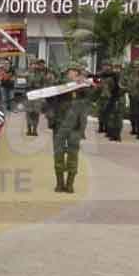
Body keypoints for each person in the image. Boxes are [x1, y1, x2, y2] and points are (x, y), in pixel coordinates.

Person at [49, 61, 92, 194]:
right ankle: (59, 183)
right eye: (70, 71)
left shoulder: (83, 86)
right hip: (59, 125)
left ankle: (70, 184)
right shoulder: (59, 84)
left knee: (73, 155)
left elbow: (93, 95)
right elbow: (49, 95)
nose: (72, 74)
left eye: (75, 71)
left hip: (75, 126)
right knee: (58, 155)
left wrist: (84, 83)